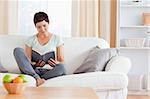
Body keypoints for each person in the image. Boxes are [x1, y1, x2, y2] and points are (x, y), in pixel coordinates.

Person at [13, 12, 66, 86]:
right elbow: (27, 61)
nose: (42, 29)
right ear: (35, 27)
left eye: (44, 25)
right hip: (34, 70)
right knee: (17, 50)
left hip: (50, 71)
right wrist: (36, 64)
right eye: (39, 27)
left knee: (62, 67)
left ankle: (38, 79)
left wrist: (55, 63)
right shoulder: (30, 40)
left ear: (48, 23)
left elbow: (61, 61)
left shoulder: (57, 38)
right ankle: (36, 77)